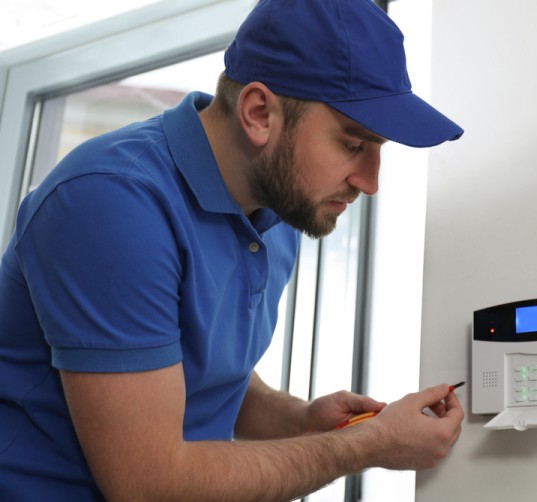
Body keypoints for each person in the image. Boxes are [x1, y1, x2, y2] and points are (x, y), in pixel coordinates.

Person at [0, 0, 465, 500]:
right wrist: (368, 447)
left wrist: (299, 418)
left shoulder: (280, 210)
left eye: (380, 149)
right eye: (353, 144)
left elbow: (198, 372)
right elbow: (148, 485)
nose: (370, 182)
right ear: (259, 113)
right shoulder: (110, 203)